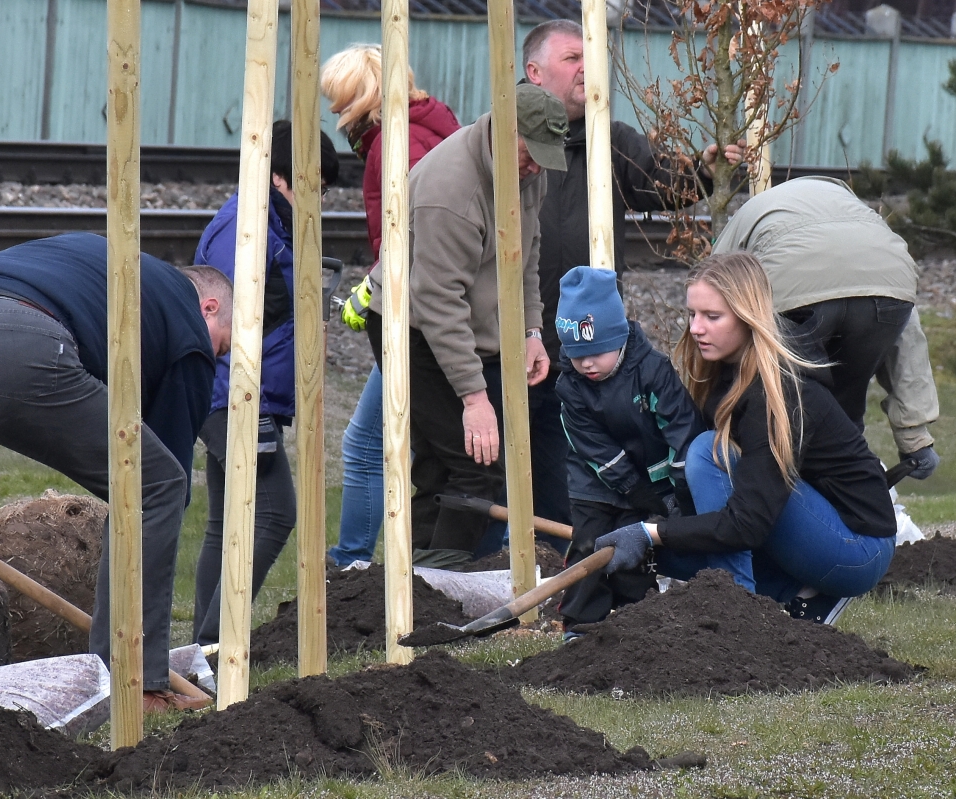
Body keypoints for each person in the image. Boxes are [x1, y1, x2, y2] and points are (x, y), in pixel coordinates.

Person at [0, 232, 231, 712]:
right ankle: (135, 686)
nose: (216, 359)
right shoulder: (188, 323)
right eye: (223, 348)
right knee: (153, 487)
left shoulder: (106, 264)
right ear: (210, 307)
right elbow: (163, 476)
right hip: (11, 345)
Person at [522, 19, 746, 542]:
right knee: (515, 448)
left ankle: (572, 549)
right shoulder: (509, 138)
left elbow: (663, 184)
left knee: (577, 455)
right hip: (520, 330)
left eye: (590, 58)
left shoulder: (610, 138)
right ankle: (508, 551)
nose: (586, 68)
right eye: (572, 58)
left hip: (591, 341)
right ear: (534, 72)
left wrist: (703, 171)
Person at [595, 253, 897, 625]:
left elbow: (747, 523)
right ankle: (805, 596)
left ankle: (737, 616)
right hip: (799, 525)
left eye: (712, 316)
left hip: (858, 547)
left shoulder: (777, 394)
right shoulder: (725, 374)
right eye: (692, 314)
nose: (695, 328)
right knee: (665, 554)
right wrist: (654, 527)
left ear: (748, 316)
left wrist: (651, 532)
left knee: (708, 453)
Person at [365, 83, 566, 569]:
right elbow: (437, 301)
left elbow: (527, 255)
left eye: (544, 159)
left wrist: (531, 331)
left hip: (458, 325)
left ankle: (414, 577)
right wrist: (474, 400)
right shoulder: (451, 191)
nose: (535, 170)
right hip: (410, 328)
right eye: (530, 155)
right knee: (476, 463)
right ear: (505, 131)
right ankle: (446, 584)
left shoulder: (527, 172)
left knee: (445, 466)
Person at [189, 120, 339, 645]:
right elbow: (221, 324)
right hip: (233, 393)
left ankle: (201, 653)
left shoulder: (272, 225)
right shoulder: (245, 230)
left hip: (240, 393)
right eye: (313, 187)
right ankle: (217, 645)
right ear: (279, 177)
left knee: (226, 523)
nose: (317, 201)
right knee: (274, 514)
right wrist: (239, 402)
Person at [319, 44, 460, 567]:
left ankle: (352, 561)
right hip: (426, 307)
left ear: (360, 98)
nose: (334, 112)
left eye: (338, 99)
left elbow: (419, 230)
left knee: (364, 446)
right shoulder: (425, 128)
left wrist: (374, 286)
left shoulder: (394, 144)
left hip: (417, 315)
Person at [711, 175, 940, 479]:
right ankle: (852, 493)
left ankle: (765, 494)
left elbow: (713, 295)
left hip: (793, 288)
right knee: (841, 423)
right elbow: (907, 333)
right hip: (890, 287)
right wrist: (914, 437)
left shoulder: (752, 210)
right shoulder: (859, 212)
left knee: (784, 413)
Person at [553, 266, 705, 628]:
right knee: (588, 546)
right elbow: (593, 447)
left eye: (597, 352)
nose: (586, 363)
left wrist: (678, 494)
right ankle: (580, 624)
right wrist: (632, 488)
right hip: (595, 482)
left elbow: (682, 429)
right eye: (576, 354)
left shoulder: (652, 371)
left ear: (619, 337)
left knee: (635, 551)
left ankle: (636, 620)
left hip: (652, 481)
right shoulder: (570, 385)